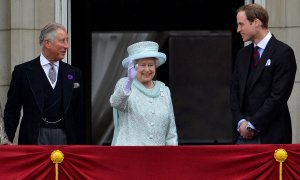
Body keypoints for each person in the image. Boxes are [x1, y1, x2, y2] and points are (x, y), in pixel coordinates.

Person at [4, 22, 85, 145]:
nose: (66, 46)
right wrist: (7, 140)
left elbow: (79, 114)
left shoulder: (74, 73)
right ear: (47, 43)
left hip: (66, 139)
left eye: (67, 41)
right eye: (62, 41)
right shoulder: (23, 72)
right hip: (33, 138)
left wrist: (81, 147)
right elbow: (12, 110)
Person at [230, 4, 297, 144]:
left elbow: (278, 96)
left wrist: (253, 124)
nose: (238, 29)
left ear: (256, 22)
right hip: (241, 135)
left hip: (271, 135)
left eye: (241, 24)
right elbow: (234, 92)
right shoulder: (242, 54)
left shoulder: (283, 53)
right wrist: (241, 122)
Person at [110, 41, 178, 146]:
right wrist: (129, 81)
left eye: (150, 65)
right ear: (133, 67)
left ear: (155, 66)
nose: (147, 69)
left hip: (158, 157)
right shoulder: (125, 85)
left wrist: (173, 155)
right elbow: (116, 102)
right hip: (129, 157)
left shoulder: (164, 90)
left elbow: (171, 131)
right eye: (142, 65)